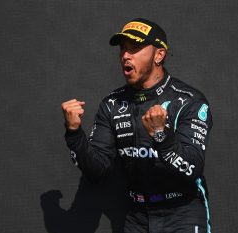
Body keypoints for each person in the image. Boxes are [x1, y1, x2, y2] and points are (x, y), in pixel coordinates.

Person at [61, 18, 213, 233]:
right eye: (123, 49)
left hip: (182, 212)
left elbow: (192, 169)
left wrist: (161, 135)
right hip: (137, 216)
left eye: (135, 48)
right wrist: (74, 133)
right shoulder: (112, 104)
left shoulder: (189, 100)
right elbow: (97, 171)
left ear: (159, 55)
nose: (125, 55)